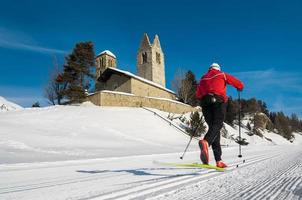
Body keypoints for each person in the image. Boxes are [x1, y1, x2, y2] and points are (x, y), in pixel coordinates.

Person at [196, 63, 244, 168]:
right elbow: (237, 83)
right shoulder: (222, 74)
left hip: (205, 104)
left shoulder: (203, 78)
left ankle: (218, 160)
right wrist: (240, 87)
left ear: (209, 69)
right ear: (218, 69)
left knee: (214, 130)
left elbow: (198, 94)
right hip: (218, 102)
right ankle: (206, 142)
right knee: (217, 125)